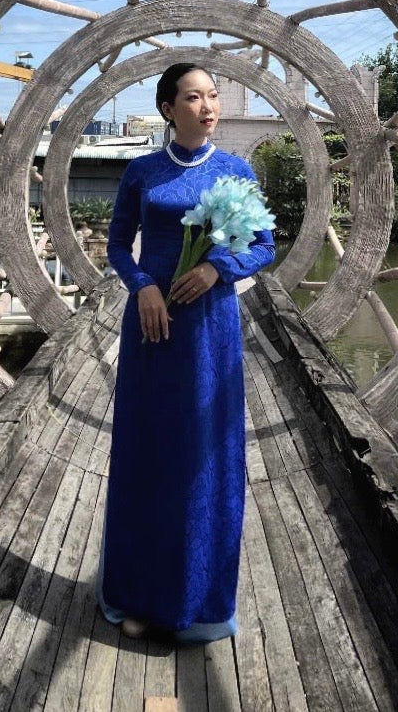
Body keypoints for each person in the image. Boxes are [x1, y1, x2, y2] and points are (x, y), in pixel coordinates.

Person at [96, 63, 276, 643]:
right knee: (148, 456)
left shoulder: (235, 170)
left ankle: (198, 600)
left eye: (213, 96)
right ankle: (141, 596)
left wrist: (216, 267)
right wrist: (143, 285)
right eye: (193, 97)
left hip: (209, 330)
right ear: (168, 108)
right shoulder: (142, 171)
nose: (207, 106)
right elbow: (117, 246)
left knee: (204, 457)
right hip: (153, 332)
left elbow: (264, 245)